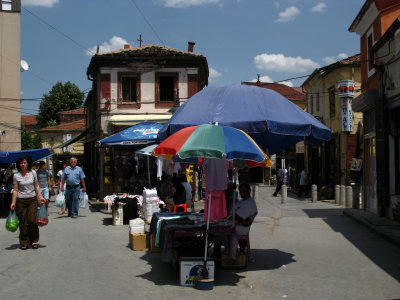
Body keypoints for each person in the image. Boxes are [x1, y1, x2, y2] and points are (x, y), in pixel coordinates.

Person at [10, 156, 46, 250]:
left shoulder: (33, 173)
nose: (23, 164)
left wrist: (40, 197)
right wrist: (13, 202)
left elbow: (37, 186)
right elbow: (15, 190)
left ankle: (34, 240)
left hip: (32, 200)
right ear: (19, 165)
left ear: (28, 164)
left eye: (24, 163)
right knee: (23, 222)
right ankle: (24, 242)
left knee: (32, 221)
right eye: (21, 163)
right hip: (20, 201)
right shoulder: (16, 176)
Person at [228, 183, 257, 261]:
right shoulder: (242, 201)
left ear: (249, 191)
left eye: (244, 191)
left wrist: (227, 218)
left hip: (241, 226)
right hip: (237, 222)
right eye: (241, 192)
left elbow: (237, 216)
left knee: (219, 232)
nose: (242, 193)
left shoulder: (249, 203)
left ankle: (231, 256)